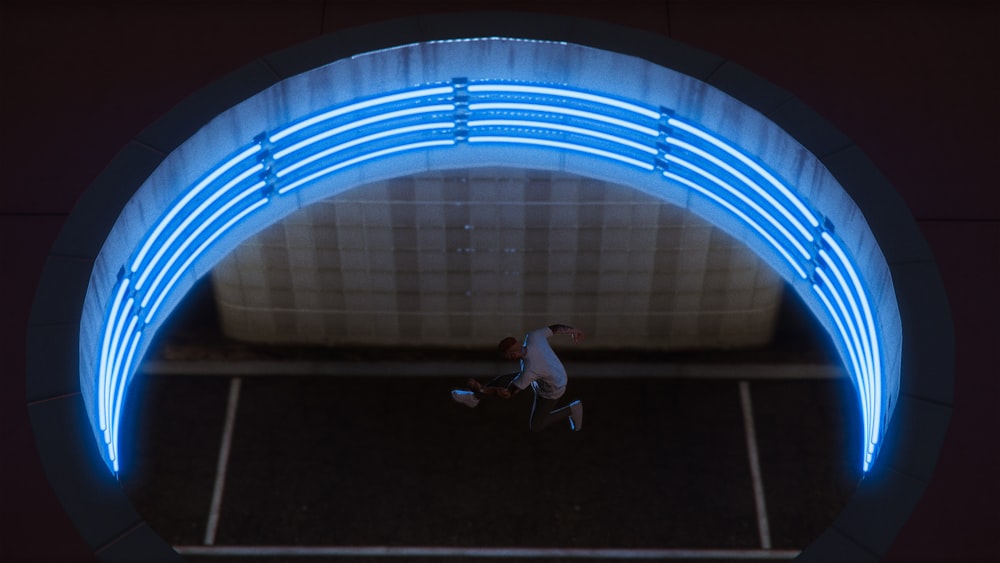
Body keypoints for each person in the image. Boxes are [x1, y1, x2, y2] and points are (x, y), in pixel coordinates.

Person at [451, 324, 585, 432]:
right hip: (551, 374)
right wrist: (573, 330)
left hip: (552, 389)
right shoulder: (533, 337)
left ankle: (572, 409)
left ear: (512, 354)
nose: (508, 359)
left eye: (507, 357)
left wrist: (484, 389)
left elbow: (509, 393)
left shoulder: (530, 370)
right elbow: (555, 328)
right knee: (502, 379)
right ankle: (474, 398)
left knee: (536, 425)